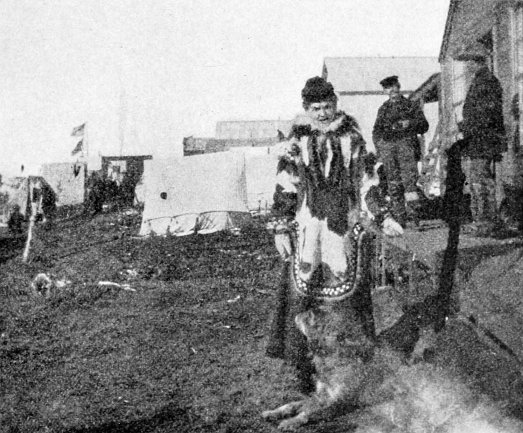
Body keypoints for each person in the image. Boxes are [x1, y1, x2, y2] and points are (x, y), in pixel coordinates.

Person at [265, 76, 403, 393]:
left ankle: (352, 369)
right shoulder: (297, 141)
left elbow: (367, 181)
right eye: (316, 108)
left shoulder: (352, 138)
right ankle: (304, 370)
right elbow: (287, 185)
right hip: (309, 228)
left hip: (343, 230)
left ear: (335, 105)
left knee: (347, 298)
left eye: (327, 106)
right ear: (306, 109)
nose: (323, 113)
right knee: (303, 296)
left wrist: (382, 216)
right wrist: (281, 227)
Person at [372, 75, 429, 227]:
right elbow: (376, 132)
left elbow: (424, 125)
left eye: (394, 86)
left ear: (399, 86)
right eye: (388, 88)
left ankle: (414, 217)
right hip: (389, 151)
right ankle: (399, 219)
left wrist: (410, 123)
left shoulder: (410, 106)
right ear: (385, 91)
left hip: (406, 148)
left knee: (410, 184)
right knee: (393, 185)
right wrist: (380, 148)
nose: (392, 90)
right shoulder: (383, 109)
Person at [460, 56, 507, 236]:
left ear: (477, 62)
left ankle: (486, 222)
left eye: (469, 62)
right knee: (476, 179)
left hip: (483, 139)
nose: (467, 66)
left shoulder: (487, 81)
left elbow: (489, 112)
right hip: (477, 139)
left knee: (481, 180)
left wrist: (469, 125)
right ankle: (481, 220)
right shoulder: (479, 81)